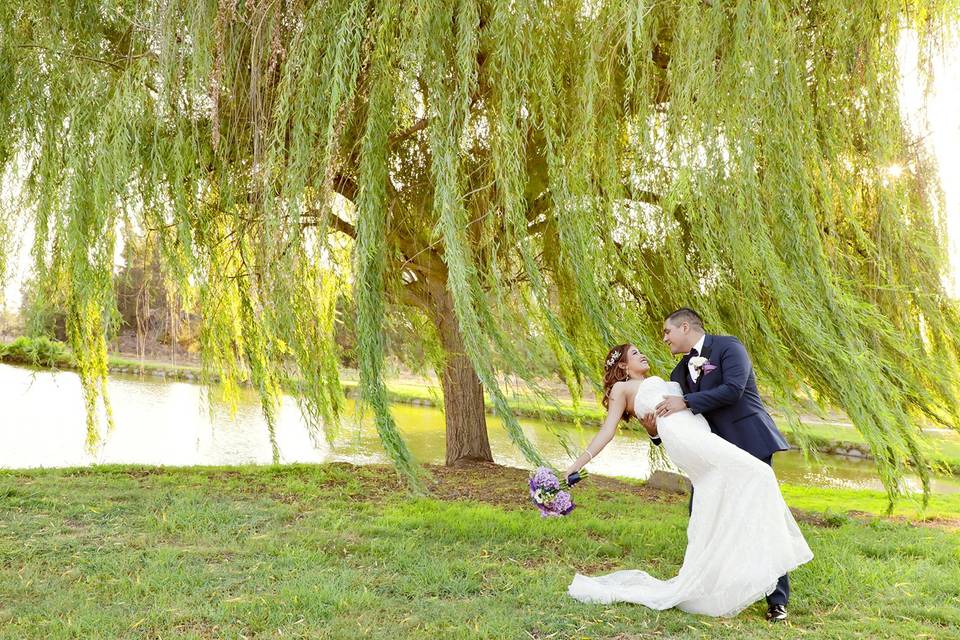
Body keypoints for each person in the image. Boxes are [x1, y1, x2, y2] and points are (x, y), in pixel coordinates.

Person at [564, 335, 812, 618]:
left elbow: (717, 395)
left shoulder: (720, 351)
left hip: (708, 434)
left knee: (728, 500)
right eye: (635, 353)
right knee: (760, 476)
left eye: (644, 347)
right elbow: (608, 431)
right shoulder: (622, 388)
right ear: (622, 367)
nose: (645, 352)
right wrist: (579, 463)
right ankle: (744, 580)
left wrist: (663, 421)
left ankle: (757, 587)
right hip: (689, 440)